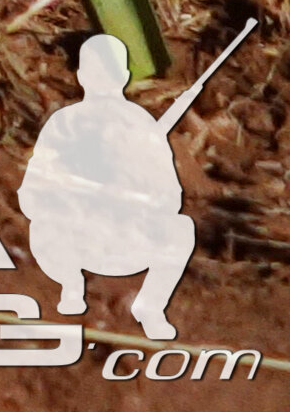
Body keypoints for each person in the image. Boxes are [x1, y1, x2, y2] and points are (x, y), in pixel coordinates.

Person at [19, 30, 200, 337]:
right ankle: (71, 287)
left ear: (125, 76)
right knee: (42, 227)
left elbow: (171, 199)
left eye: (110, 72)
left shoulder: (142, 126)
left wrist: (137, 192)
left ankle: (151, 306)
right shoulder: (65, 123)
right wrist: (75, 195)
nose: (102, 79)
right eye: (94, 71)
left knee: (181, 230)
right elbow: (30, 195)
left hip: (126, 237)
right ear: (81, 76)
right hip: (76, 236)